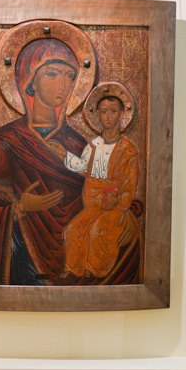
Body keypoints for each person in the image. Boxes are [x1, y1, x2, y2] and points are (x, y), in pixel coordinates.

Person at [0, 37, 140, 285]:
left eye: (69, 76)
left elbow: (106, 185)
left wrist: (126, 215)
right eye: (52, 74)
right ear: (29, 82)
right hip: (22, 271)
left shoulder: (78, 144)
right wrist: (17, 209)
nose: (63, 85)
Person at [56, 95, 140, 279]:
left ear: (121, 114)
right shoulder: (94, 145)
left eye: (113, 111)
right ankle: (73, 269)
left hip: (114, 206)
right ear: (98, 116)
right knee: (73, 230)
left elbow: (129, 183)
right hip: (93, 204)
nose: (108, 116)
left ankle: (95, 270)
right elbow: (82, 167)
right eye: (104, 112)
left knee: (97, 231)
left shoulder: (128, 150)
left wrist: (119, 200)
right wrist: (63, 154)